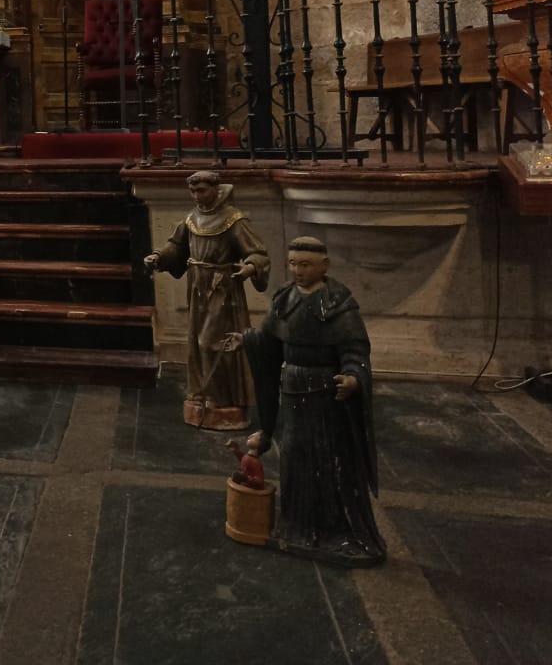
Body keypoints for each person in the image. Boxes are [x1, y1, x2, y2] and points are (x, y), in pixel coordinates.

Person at [220, 236, 385, 568]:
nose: (298, 270)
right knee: (294, 459)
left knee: (327, 462)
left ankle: (335, 531)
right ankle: (297, 526)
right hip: (292, 393)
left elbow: (355, 352)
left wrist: (352, 378)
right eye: (293, 263)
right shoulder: (285, 298)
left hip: (326, 400)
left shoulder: (339, 304)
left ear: (324, 266)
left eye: (306, 264)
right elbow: (269, 341)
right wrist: (247, 340)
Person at [144, 169, 270, 429]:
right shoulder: (192, 218)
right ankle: (201, 394)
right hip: (197, 286)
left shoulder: (233, 219)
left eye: (201, 190)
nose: (196, 196)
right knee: (196, 341)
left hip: (221, 287)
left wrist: (249, 267)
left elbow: (258, 253)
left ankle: (222, 397)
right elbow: (176, 247)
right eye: (193, 191)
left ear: (216, 189)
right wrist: (159, 257)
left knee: (213, 342)